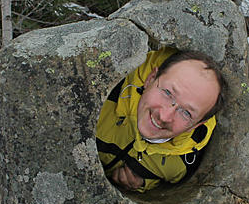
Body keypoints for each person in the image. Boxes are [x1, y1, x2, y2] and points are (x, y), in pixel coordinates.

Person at [96, 47, 226, 192]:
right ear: (151, 79)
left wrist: (144, 183)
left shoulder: (184, 162)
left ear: (195, 126)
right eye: (167, 92)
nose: (164, 116)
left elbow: (166, 188)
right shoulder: (104, 99)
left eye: (186, 113)